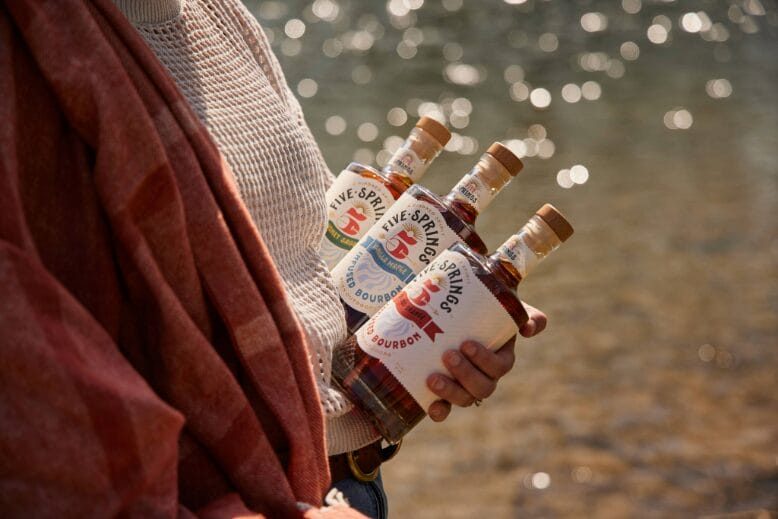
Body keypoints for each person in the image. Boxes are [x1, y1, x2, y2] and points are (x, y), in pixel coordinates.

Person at [0, 0, 546, 517]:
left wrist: (443, 344)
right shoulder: (34, 48)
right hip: (221, 496)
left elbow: (305, 248)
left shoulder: (219, 13)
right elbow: (34, 385)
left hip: (350, 477)